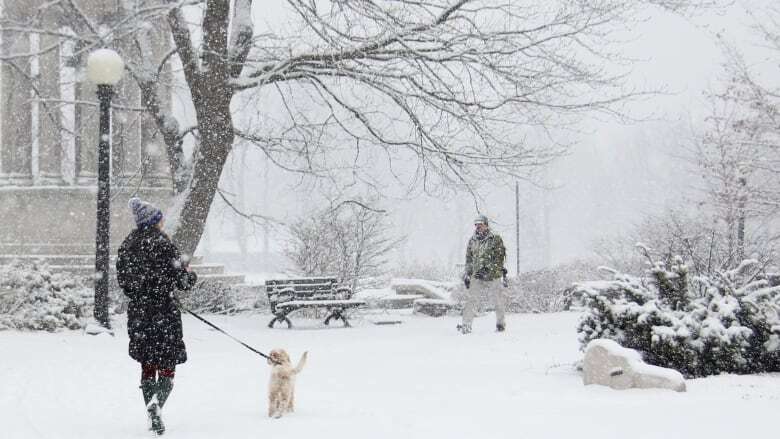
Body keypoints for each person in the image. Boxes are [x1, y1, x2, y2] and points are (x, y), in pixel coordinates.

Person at [116, 197, 198, 435]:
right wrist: (189, 275)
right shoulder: (164, 244)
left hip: (140, 313)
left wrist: (142, 292)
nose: (163, 221)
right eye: (160, 218)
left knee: (148, 361)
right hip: (164, 311)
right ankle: (157, 403)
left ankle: (151, 405)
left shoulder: (127, 245)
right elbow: (182, 281)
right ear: (154, 221)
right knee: (167, 363)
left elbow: (124, 282)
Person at [458, 214, 507, 334]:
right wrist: (467, 274)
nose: (478, 226)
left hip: (493, 275)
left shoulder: (495, 239)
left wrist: (487, 269)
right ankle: (466, 325)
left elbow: (499, 258)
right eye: (476, 224)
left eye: (480, 224)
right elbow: (469, 259)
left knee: (498, 300)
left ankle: (500, 324)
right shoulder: (472, 240)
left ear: (486, 225)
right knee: (472, 300)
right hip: (477, 275)